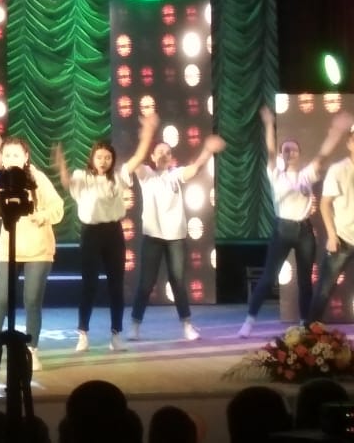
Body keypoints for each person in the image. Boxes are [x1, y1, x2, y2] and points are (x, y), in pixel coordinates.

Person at [239, 107, 351, 337]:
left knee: (305, 280)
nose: (290, 152)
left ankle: (304, 324)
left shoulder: (305, 175)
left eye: (294, 149)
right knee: (269, 276)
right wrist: (268, 124)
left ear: (299, 154)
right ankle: (249, 321)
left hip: (305, 231)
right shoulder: (275, 174)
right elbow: (270, 151)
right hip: (282, 229)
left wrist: (336, 133)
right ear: (282, 155)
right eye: (286, 149)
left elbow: (322, 156)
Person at [55, 111, 158, 352]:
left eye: (107, 157)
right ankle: (83, 333)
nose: (103, 161)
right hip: (91, 233)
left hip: (113, 233)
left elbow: (138, 157)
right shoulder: (82, 176)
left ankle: (116, 335)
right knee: (89, 284)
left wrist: (148, 132)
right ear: (92, 158)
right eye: (99, 157)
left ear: (112, 160)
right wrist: (60, 165)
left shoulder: (118, 177)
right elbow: (67, 182)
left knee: (116, 285)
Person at [0, 136, 64, 373]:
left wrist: (41, 216)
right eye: (7, 155)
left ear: (26, 157)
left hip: (38, 247)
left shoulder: (37, 178)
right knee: (0, 300)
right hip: (9, 247)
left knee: (32, 300)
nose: (11, 159)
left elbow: (58, 207)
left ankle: (31, 351)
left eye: (16, 154)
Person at [129, 133, 226, 342]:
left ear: (172, 157)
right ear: (152, 156)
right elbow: (135, 163)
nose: (164, 155)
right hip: (152, 236)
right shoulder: (146, 174)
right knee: (146, 283)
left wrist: (207, 150)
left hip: (176, 238)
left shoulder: (175, 175)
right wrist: (146, 133)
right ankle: (135, 325)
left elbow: (195, 168)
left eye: (168, 152)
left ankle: (187, 326)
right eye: (159, 152)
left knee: (178, 282)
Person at [308, 119, 354, 322]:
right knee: (324, 289)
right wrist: (332, 235)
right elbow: (325, 204)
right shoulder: (338, 169)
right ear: (349, 143)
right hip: (343, 237)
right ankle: (309, 330)